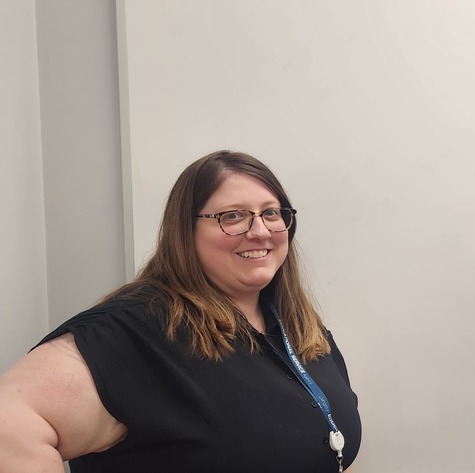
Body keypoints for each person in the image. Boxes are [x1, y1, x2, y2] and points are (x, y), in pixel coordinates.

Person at [0, 151, 360, 472]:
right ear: (184, 231)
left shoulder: (296, 324)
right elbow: (9, 422)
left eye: (271, 213)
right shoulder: (140, 330)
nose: (259, 230)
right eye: (232, 216)